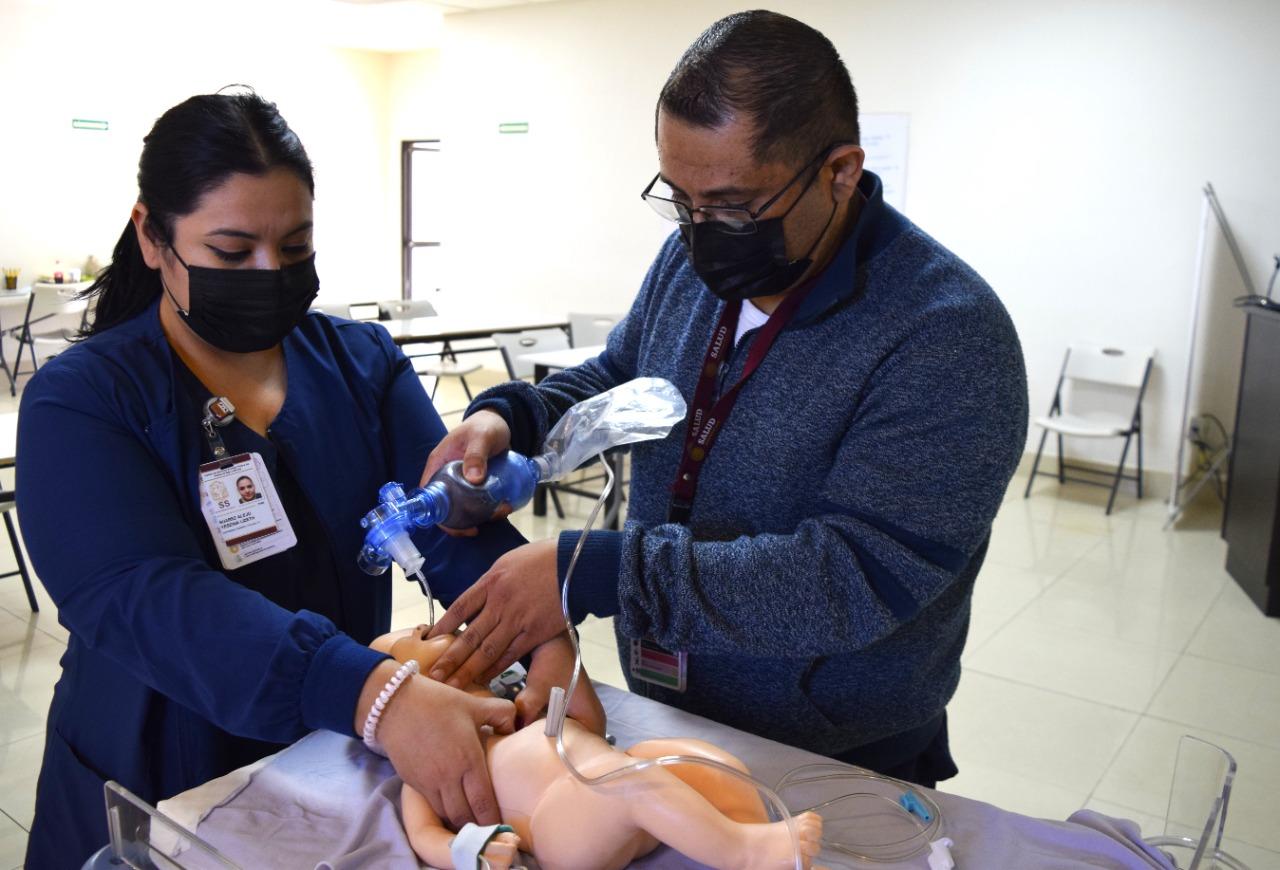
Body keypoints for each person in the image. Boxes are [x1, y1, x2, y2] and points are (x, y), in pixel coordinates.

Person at [421, 10, 1028, 789]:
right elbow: (617, 376)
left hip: (832, 748)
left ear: (840, 172)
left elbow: (853, 578)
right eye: (681, 200)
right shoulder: (692, 262)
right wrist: (511, 415)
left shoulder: (945, 336)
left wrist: (601, 571)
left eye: (734, 205)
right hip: (672, 709)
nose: (701, 232)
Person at [15, 91, 530, 869]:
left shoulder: (359, 364)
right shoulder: (85, 400)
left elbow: (444, 518)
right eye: (232, 252)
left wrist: (527, 617)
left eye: (294, 249)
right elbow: (146, 596)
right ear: (152, 236)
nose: (268, 273)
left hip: (337, 739)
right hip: (161, 759)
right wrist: (372, 694)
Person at [371, 626, 824, 870]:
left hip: (614, 782)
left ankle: (762, 852)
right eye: (409, 638)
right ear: (407, 685)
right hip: (563, 828)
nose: (422, 624)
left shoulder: (511, 704)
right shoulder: (425, 761)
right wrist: (473, 851)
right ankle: (745, 852)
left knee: (706, 765)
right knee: (631, 784)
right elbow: (426, 836)